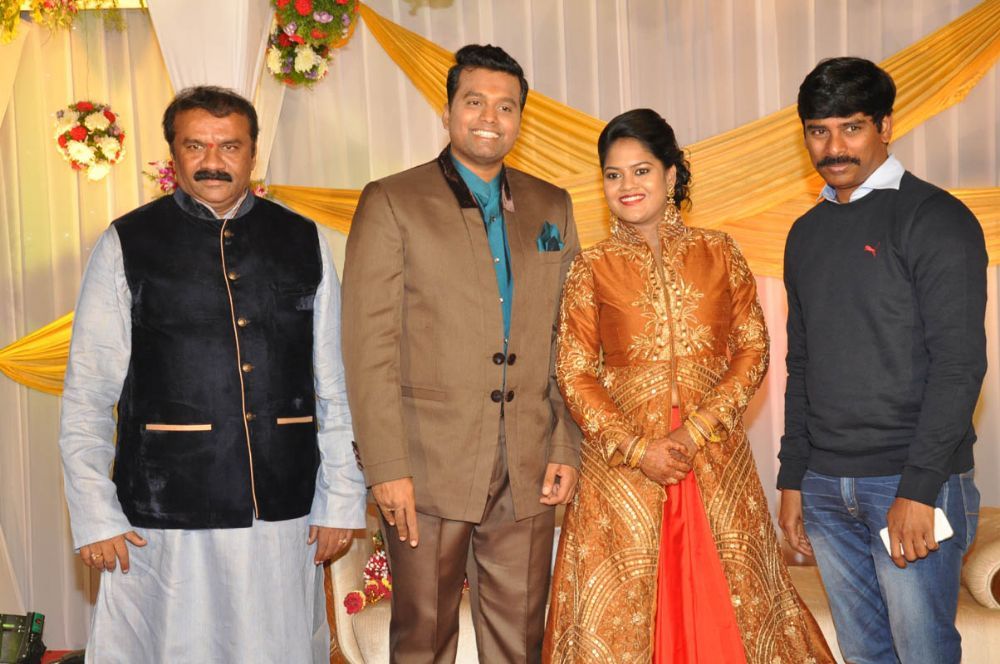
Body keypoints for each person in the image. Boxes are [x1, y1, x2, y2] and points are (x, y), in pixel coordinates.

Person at [58, 85, 366, 663]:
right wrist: (95, 513)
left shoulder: (303, 240)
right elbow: (88, 393)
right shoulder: (128, 242)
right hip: (164, 512)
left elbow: (336, 384)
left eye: (229, 146)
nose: (213, 161)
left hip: (283, 509)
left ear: (253, 153)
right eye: (195, 145)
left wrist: (342, 500)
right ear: (173, 152)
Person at [544, 108, 834, 664]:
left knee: (729, 612)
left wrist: (695, 431)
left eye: (641, 170)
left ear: (671, 174)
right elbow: (573, 370)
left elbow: (753, 349)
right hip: (623, 471)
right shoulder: (591, 267)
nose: (627, 185)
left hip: (713, 458)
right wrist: (638, 448)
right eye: (613, 175)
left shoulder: (718, 252)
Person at [342, 44, 581, 663]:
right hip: (426, 466)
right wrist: (386, 466)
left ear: (520, 118)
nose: (489, 118)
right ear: (447, 111)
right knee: (422, 638)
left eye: (506, 106)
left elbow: (571, 338)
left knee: (520, 641)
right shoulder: (393, 201)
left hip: (528, 464)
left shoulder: (551, 205)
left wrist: (565, 444)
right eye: (475, 102)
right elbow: (369, 349)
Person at [778, 57, 987, 664]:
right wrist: (793, 478)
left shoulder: (935, 218)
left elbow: (959, 365)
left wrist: (919, 488)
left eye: (852, 127)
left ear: (886, 126)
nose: (834, 147)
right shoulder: (805, 233)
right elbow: (801, 364)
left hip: (910, 482)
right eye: (819, 131)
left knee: (923, 654)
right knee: (864, 656)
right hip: (824, 487)